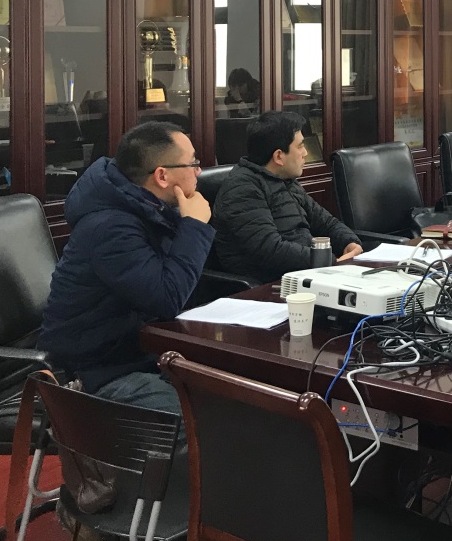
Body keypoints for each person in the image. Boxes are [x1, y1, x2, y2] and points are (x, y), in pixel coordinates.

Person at [39, 121, 213, 414]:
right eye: (192, 162)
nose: (199, 171)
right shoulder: (111, 228)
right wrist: (194, 226)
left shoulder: (149, 208)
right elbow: (167, 297)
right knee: (208, 420)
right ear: (162, 175)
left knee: (240, 395)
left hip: (141, 352)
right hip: (95, 372)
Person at [212, 111, 368, 282]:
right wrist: (327, 260)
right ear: (279, 156)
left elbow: (325, 221)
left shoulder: (284, 180)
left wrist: (348, 242)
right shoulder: (242, 189)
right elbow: (269, 250)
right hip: (270, 285)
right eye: (300, 146)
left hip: (306, 274)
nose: (305, 153)